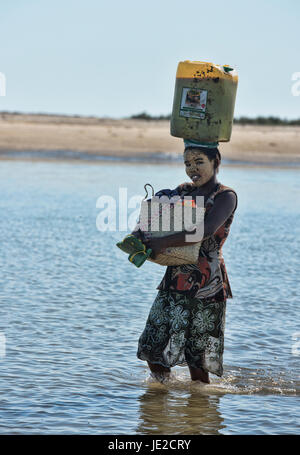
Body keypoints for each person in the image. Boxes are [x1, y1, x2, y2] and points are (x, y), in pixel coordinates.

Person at [133, 139, 238, 384]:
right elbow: (160, 214)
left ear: (216, 161)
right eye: (187, 163)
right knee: (153, 346)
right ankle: (162, 397)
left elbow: (206, 229)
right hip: (175, 276)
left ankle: (199, 406)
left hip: (207, 284)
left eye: (199, 162)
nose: (192, 168)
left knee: (197, 360)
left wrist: (163, 243)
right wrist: (141, 233)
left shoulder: (226, 196)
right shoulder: (184, 190)